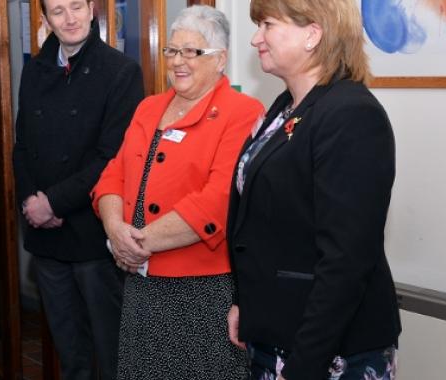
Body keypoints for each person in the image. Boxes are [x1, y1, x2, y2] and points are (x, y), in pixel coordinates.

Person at [226, 0, 401, 379]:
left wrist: (305, 364)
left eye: (268, 25)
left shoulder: (352, 114)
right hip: (275, 331)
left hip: (327, 349)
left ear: (313, 34)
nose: (257, 38)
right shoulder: (284, 107)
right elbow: (255, 221)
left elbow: (346, 260)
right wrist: (244, 302)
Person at [92, 5, 264, 379]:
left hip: (201, 294)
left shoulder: (243, 113)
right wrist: (114, 231)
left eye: (192, 52)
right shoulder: (148, 108)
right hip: (141, 286)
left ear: (220, 59)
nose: (177, 61)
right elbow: (111, 178)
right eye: (172, 51)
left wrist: (134, 243)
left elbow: (217, 202)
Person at [12, 0, 144, 378]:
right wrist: (31, 202)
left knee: (110, 352)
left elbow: (111, 157)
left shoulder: (120, 71)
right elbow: (22, 147)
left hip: (91, 235)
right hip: (47, 240)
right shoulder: (35, 70)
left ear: (92, 10)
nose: (68, 18)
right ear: (45, 19)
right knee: (71, 354)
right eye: (57, 10)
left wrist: (53, 202)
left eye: (75, 7)